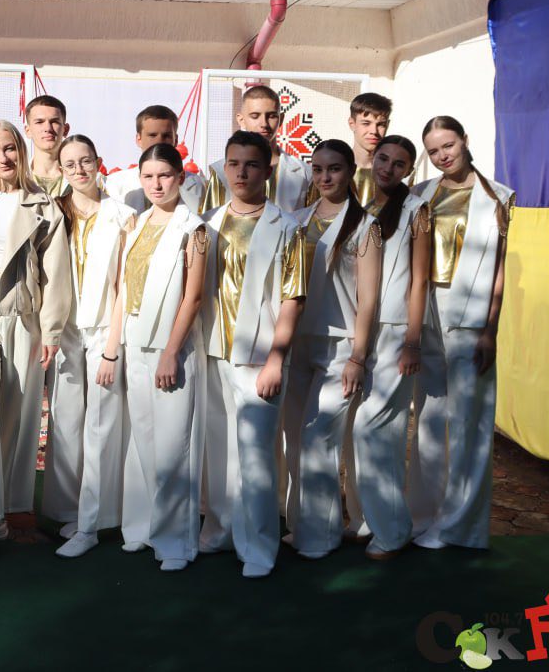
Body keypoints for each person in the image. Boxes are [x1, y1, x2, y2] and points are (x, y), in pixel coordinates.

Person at [0, 120, 72, 566]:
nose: (2, 158)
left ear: (20, 152)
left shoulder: (43, 204)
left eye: (9, 149)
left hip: (23, 312)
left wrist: (52, 330)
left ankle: (1, 507)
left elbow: (56, 273)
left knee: (16, 415)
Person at [200, 131, 308, 579]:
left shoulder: (287, 226)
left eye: (251, 164)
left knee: (257, 455)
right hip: (213, 352)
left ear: (267, 170)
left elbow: (292, 298)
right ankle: (222, 530)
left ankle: (260, 546)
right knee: (220, 449)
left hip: (259, 356)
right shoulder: (207, 222)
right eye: (233, 163)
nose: (241, 172)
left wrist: (277, 359)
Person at [409, 116, 514, 551]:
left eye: (448, 145)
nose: (442, 156)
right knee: (429, 422)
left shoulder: (498, 197)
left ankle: (460, 526)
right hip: (428, 315)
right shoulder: (420, 194)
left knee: (470, 425)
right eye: (434, 151)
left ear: (465, 140)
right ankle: (426, 515)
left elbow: (500, 269)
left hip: (471, 321)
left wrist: (491, 329)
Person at [102, 143, 206, 572]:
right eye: (148, 176)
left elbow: (193, 297)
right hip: (135, 343)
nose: (156, 184)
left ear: (181, 177)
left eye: (164, 175)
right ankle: (142, 528)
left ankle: (177, 542)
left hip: (170, 350)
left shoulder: (193, 228)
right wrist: (111, 350)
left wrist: (171, 352)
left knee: (173, 447)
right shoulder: (137, 223)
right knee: (142, 440)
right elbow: (123, 290)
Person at [283, 140, 382, 560]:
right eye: (319, 169)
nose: (325, 177)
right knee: (294, 440)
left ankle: (322, 535)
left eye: (335, 168)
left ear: (350, 172)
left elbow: (369, 298)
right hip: (297, 343)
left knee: (318, 438)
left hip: (340, 346)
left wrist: (358, 356)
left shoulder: (365, 226)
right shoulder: (296, 220)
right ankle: (302, 524)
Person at [49, 136, 137, 557]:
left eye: (85, 161)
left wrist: (112, 347)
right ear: (60, 169)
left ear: (99, 162)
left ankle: (90, 525)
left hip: (104, 328)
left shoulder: (123, 216)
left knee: (101, 423)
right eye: (70, 164)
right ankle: (71, 511)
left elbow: (124, 287)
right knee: (65, 422)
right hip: (65, 328)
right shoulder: (53, 211)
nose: (79, 170)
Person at [352, 135, 430, 559]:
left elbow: (419, 281)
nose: (388, 168)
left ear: (409, 171)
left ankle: (393, 529)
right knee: (381, 433)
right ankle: (378, 519)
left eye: (399, 164)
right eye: (383, 158)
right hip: (364, 328)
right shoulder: (361, 205)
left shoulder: (417, 210)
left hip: (398, 330)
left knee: (371, 427)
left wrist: (413, 341)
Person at [203, 87, 311, 212]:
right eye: (255, 116)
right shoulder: (220, 172)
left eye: (271, 116)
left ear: (281, 119)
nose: (264, 124)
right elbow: (210, 220)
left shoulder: (304, 173)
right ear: (241, 120)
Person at [105, 105, 206, 213]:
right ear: (138, 139)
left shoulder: (196, 184)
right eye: (152, 135)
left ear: (176, 139)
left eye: (166, 136)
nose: (159, 141)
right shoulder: (115, 183)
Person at [347, 93, 394, 206]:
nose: (374, 131)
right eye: (366, 123)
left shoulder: (395, 173)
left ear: (387, 125)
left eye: (381, 124)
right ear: (352, 124)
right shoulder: (333, 171)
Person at [24, 95, 70, 196]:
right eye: (39, 122)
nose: (48, 128)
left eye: (54, 122)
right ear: (28, 131)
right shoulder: (16, 179)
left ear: (65, 129)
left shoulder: (84, 179)